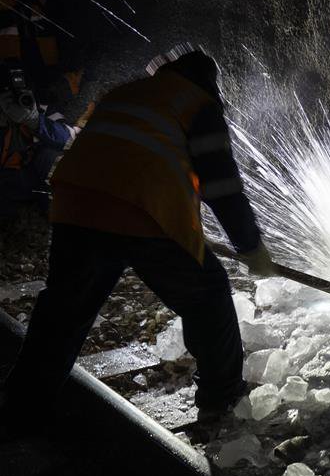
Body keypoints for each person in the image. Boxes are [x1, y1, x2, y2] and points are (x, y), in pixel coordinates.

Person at [1, 45, 276, 427]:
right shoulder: (198, 104)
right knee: (209, 294)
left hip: (75, 205)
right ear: (208, 84)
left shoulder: (125, 92)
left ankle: (22, 408)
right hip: (140, 209)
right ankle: (222, 398)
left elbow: (115, 152)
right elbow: (221, 184)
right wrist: (251, 246)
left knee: (63, 312)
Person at [0, 63, 76, 217]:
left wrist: (34, 120)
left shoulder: (35, 103)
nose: (17, 95)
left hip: (29, 175)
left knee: (59, 157)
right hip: (4, 182)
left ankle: (58, 214)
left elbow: (68, 139)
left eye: (21, 89)